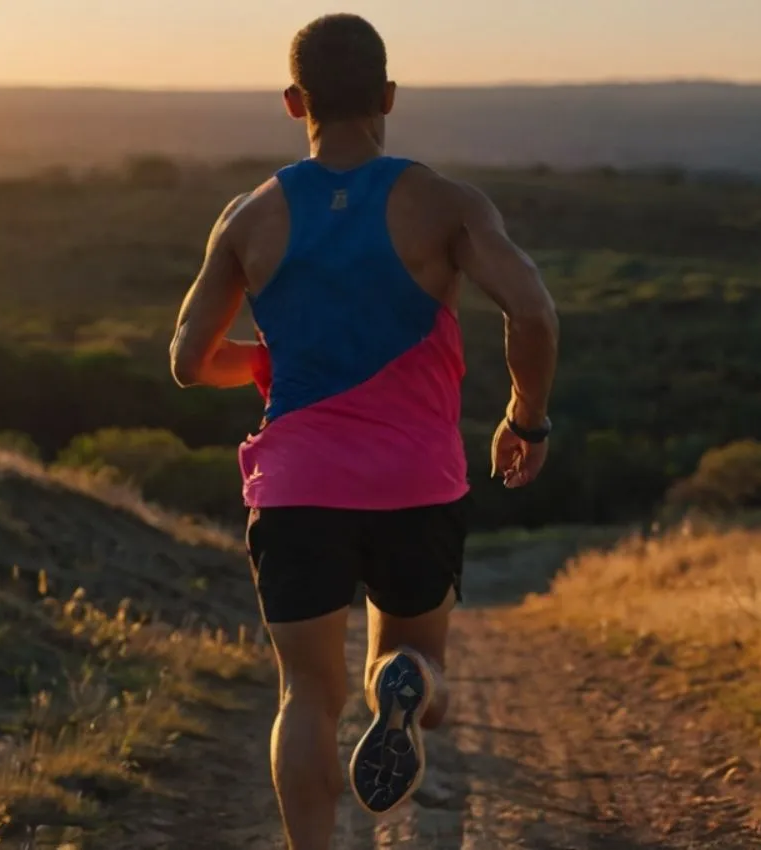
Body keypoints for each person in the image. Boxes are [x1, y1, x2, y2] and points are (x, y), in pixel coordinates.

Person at [167, 13, 559, 849]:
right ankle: (409, 681)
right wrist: (527, 417)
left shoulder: (247, 217)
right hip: (416, 482)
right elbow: (532, 309)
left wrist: (271, 362)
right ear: (387, 96)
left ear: (291, 102)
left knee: (305, 695)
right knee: (418, 665)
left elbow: (188, 360)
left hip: (298, 485)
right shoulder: (446, 204)